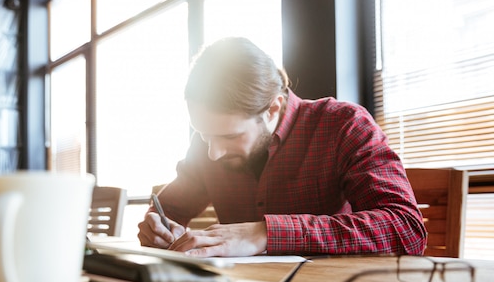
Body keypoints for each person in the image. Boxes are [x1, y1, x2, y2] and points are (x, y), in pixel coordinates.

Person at [137, 37, 426, 257]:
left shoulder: (343, 126)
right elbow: (168, 210)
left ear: (273, 107)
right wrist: (159, 229)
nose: (213, 152)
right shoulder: (207, 146)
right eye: (203, 134)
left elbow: (406, 229)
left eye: (229, 137)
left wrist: (265, 233)